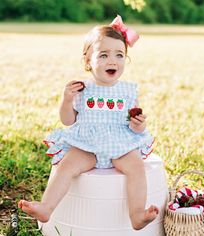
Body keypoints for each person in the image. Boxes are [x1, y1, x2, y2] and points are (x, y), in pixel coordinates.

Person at [18, 15, 158, 230]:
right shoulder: (81, 88)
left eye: (119, 55)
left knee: (136, 167)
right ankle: (46, 207)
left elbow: (133, 123)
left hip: (120, 146)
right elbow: (67, 121)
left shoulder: (128, 90)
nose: (112, 61)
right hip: (87, 146)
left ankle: (137, 213)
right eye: (103, 55)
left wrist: (138, 125)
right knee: (66, 166)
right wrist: (66, 99)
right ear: (87, 61)